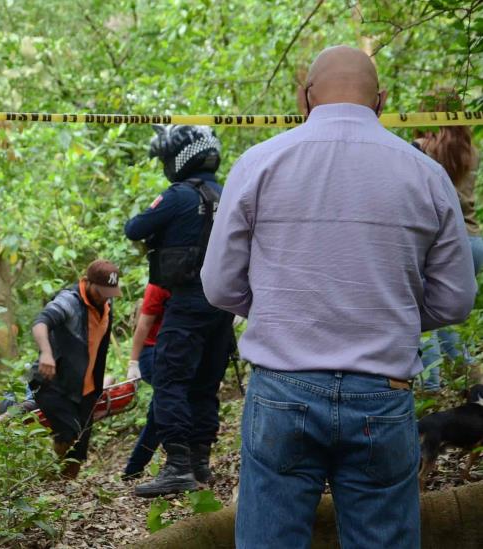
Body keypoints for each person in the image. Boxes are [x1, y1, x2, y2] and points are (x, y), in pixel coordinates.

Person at [201, 45, 477, 548]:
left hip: (282, 388)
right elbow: (455, 301)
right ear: (382, 101)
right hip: (383, 391)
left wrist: (281, 312)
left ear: (305, 98)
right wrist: (388, 316)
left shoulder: (259, 163)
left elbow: (219, 285)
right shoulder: (426, 176)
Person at [125, 125, 235, 497]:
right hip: (223, 305)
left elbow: (134, 228)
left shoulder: (179, 196)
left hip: (188, 301)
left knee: (171, 381)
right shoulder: (226, 194)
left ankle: (177, 467)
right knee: (206, 383)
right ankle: (200, 463)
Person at [414, 89, 483, 391]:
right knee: (452, 317)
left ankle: (431, 385)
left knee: (423, 317)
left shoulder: (420, 150)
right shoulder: (471, 150)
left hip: (443, 242)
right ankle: (465, 378)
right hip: (474, 241)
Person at [30, 259, 121, 479]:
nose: (105, 297)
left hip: (86, 387)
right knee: (69, 433)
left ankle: (66, 485)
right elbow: (41, 322)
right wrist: (46, 353)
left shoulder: (107, 305)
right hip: (53, 382)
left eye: (109, 293)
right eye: (101, 292)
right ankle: (54, 480)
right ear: (88, 283)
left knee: (79, 448)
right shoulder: (69, 301)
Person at [123, 282, 171, 479]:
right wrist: (133, 362)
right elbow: (143, 325)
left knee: (161, 409)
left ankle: (133, 469)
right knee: (165, 406)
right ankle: (134, 468)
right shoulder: (159, 284)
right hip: (151, 351)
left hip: (175, 351)